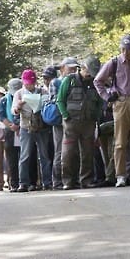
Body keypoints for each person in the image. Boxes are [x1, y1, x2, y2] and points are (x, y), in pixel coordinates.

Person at [94, 34, 130, 187]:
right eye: (123, 49)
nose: (126, 52)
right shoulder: (114, 62)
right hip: (121, 102)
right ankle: (120, 175)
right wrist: (107, 97)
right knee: (120, 141)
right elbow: (98, 80)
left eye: (129, 49)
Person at [57, 56, 103, 189]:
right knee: (68, 153)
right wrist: (66, 116)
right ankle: (68, 181)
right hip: (71, 123)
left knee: (88, 153)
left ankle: (86, 180)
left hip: (88, 123)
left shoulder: (95, 82)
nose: (90, 74)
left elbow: (100, 102)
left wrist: (96, 117)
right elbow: (60, 100)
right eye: (89, 71)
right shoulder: (69, 80)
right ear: (82, 68)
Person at [12, 69, 52, 192]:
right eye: (28, 83)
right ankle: (23, 183)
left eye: (32, 83)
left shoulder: (43, 91)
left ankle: (47, 182)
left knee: (44, 155)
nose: (30, 85)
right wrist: (19, 105)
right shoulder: (19, 94)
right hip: (26, 127)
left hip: (42, 127)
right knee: (25, 156)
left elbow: (49, 103)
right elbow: (13, 111)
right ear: (23, 82)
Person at [52, 58, 79, 190]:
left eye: (75, 69)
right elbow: (56, 100)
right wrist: (65, 114)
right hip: (59, 121)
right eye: (70, 68)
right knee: (59, 151)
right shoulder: (56, 82)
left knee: (73, 151)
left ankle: (73, 179)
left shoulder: (76, 81)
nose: (73, 71)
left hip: (73, 121)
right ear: (62, 68)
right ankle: (57, 181)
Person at [0, 78, 22, 192]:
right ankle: (14, 183)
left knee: (24, 156)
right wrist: (11, 125)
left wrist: (19, 126)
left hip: (23, 130)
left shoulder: (23, 96)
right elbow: (2, 115)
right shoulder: (4, 100)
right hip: (9, 131)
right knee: (11, 159)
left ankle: (25, 182)